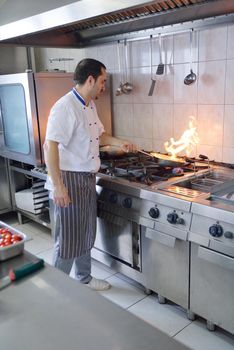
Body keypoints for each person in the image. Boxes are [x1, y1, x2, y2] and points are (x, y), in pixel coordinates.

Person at [44, 58, 134, 291]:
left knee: (85, 233)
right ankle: (57, 290)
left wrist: (119, 142)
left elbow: (100, 137)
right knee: (68, 240)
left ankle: (83, 277)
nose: (104, 86)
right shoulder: (65, 107)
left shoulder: (89, 104)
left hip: (86, 178)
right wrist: (58, 186)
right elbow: (50, 147)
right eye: (103, 81)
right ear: (91, 79)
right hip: (69, 180)